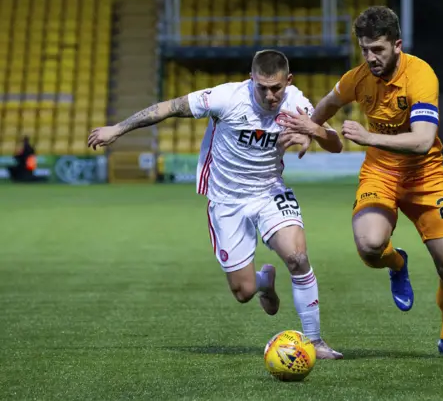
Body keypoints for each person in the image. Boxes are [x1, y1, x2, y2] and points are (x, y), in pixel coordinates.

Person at [87, 49, 344, 359]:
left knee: (298, 258)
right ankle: (264, 281)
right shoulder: (226, 98)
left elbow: (336, 144)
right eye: (262, 87)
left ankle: (314, 342)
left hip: (269, 192)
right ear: (251, 79)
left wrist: (313, 130)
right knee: (243, 292)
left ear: (288, 82)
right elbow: (169, 107)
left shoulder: (296, 103)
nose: (270, 95)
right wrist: (117, 129)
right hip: (226, 200)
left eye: (276, 88)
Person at [276, 6, 443, 361]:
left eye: (378, 49)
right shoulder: (358, 77)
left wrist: (368, 138)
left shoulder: (421, 76)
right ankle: (398, 264)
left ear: (397, 44)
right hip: (381, 173)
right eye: (365, 49)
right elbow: (329, 102)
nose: (371, 57)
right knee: (369, 245)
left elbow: (423, 140)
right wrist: (308, 130)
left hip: (426, 175)